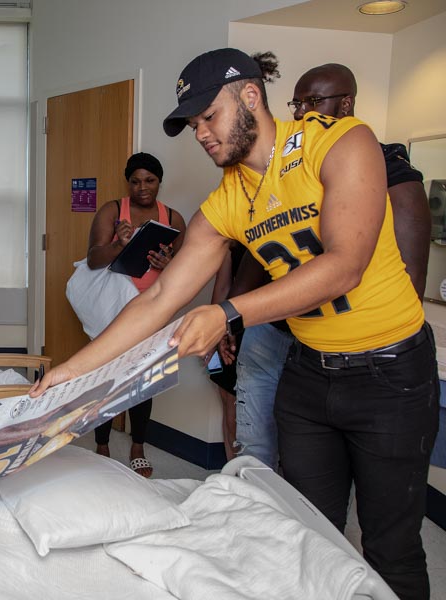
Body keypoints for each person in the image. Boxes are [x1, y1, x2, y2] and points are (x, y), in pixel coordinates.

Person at [31, 48, 438, 600]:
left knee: (393, 548)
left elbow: (345, 266)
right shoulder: (228, 200)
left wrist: (226, 310)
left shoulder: (340, 143)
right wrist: (69, 373)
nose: (201, 133)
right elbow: (157, 302)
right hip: (308, 376)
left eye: (209, 117)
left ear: (250, 97)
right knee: (307, 535)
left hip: (389, 373)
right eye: (193, 124)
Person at [220, 62, 431, 471]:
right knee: (263, 453)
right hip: (282, 333)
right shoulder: (281, 164)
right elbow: (260, 244)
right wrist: (231, 315)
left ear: (346, 103)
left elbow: (406, 280)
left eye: (313, 102)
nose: (301, 113)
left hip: (351, 347)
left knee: (351, 474)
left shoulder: (387, 168)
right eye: (297, 103)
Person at [86, 152, 186, 477]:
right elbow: (93, 260)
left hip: (153, 311)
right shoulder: (113, 211)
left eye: (150, 180)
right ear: (128, 182)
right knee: (107, 377)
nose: (142, 187)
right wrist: (120, 244)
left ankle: (137, 445)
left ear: (160, 182)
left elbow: (186, 271)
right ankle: (101, 443)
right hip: (115, 310)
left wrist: (169, 265)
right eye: (135, 181)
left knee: (144, 379)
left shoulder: (173, 218)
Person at [207, 241, 246, 460]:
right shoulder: (230, 244)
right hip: (232, 327)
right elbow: (222, 288)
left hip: (274, 329)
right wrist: (213, 334)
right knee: (229, 403)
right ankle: (232, 470)